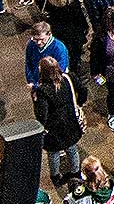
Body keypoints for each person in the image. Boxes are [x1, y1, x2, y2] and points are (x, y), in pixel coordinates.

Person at [34, 56, 86, 184]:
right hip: (71, 121)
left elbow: (42, 115)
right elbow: (83, 90)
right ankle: (75, 172)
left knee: (53, 153)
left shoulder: (42, 90)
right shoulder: (69, 78)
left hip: (54, 128)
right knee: (72, 148)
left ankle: (56, 177)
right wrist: (79, 103)